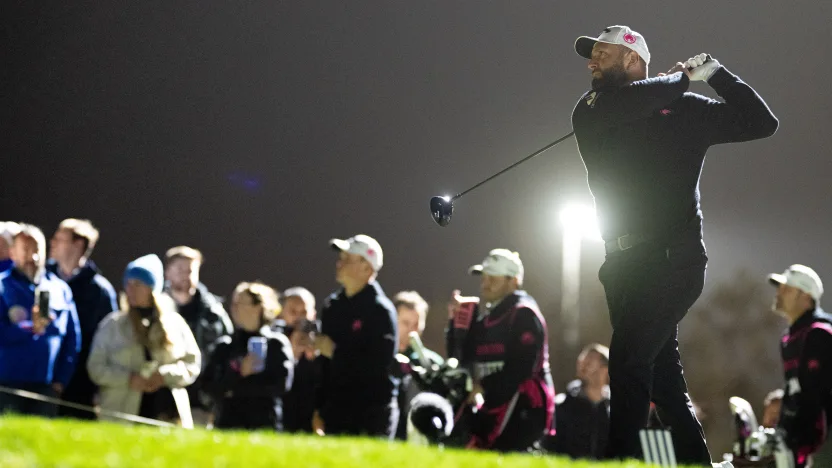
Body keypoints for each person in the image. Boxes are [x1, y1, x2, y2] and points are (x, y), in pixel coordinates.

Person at [570, 24, 778, 465]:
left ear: (632, 60)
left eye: (602, 55)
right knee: (663, 383)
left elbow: (763, 123)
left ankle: (616, 460)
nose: (591, 62)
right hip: (620, 266)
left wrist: (716, 75)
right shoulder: (591, 108)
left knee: (627, 360)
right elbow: (638, 100)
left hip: (673, 262)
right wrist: (680, 80)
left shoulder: (682, 109)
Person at [446, 249, 554, 452]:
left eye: (493, 278)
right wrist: (456, 325)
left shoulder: (524, 314)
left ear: (513, 281)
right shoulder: (488, 317)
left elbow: (522, 368)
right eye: (483, 277)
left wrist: (483, 385)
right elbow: (459, 359)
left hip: (523, 411)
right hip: (492, 406)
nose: (485, 283)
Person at [87, 254, 201, 427]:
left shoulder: (174, 324)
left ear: (152, 288)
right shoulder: (113, 325)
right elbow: (95, 367)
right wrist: (128, 379)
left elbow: (192, 364)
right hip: (121, 415)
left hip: (166, 415)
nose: (130, 290)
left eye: (138, 284)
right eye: (128, 284)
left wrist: (164, 375)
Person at [313, 234, 399, 439]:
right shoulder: (332, 307)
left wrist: (336, 352)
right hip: (337, 409)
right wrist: (319, 407)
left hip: (371, 412)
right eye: (340, 257)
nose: (339, 263)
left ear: (367, 268)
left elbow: (379, 365)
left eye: (347, 258)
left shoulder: (381, 311)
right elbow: (325, 367)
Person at [0, 224, 80, 417]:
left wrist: (61, 379)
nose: (33, 257)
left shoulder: (59, 290)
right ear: (12, 253)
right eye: (26, 250)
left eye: (37, 250)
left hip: (46, 387)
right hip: (7, 386)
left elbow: (72, 339)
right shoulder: (2, 287)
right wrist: (28, 328)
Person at [46, 218, 118, 420]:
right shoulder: (43, 280)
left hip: (80, 385)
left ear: (77, 245)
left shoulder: (100, 292)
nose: (52, 243)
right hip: (43, 378)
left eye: (59, 239)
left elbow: (107, 342)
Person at [202, 282, 293, 431]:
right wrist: (239, 373)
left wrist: (237, 387)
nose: (234, 308)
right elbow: (209, 385)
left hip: (263, 424)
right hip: (228, 424)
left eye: (240, 303)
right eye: (234, 303)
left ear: (258, 308)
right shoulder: (225, 346)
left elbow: (281, 384)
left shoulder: (276, 344)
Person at [767, 265, 832, 468]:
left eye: (786, 289)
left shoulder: (819, 334)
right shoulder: (789, 337)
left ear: (805, 296)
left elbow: (816, 397)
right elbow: (800, 387)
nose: (779, 293)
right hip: (802, 443)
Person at [163, 246, 233, 424]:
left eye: (190, 270)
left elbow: (228, 353)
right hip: (163, 397)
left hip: (201, 402)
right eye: (180, 269)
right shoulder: (157, 311)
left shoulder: (214, 313)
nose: (186, 276)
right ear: (167, 272)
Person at [392, 290, 444, 441]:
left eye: (416, 325)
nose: (411, 331)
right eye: (405, 323)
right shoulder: (380, 356)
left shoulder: (431, 362)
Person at [548, 343, 611, 460]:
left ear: (605, 369)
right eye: (582, 362)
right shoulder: (562, 405)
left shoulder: (615, 409)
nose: (583, 367)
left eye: (589, 363)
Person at [276, 287, 323, 434]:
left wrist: (317, 357)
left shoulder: (322, 338)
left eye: (304, 312)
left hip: (310, 413)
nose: (299, 318)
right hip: (283, 413)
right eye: (293, 312)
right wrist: (291, 352)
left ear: (313, 314)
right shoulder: (275, 338)